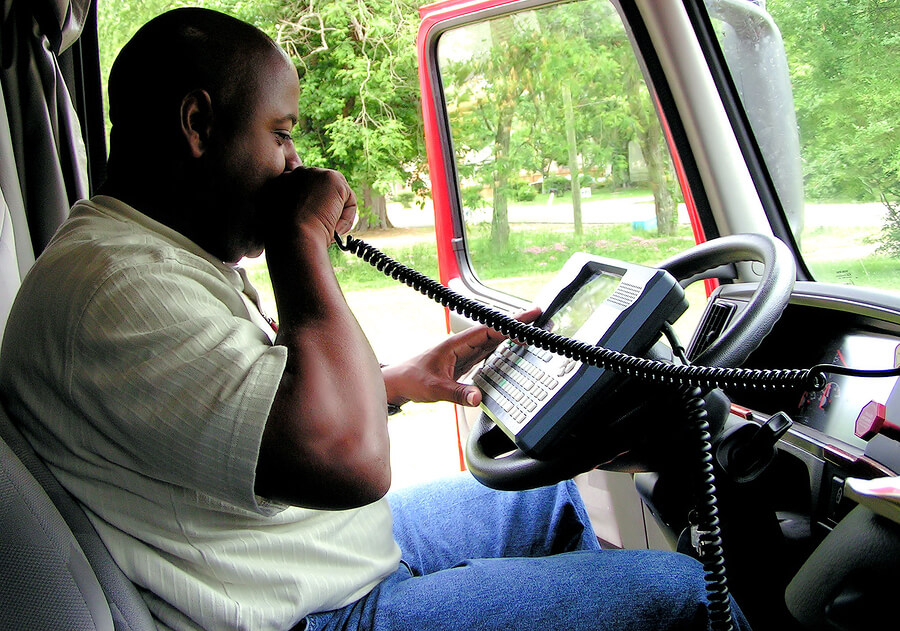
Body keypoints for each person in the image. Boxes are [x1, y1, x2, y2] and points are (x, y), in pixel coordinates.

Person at [0, 8, 752, 631]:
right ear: (199, 124)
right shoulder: (119, 287)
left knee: (541, 490)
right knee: (681, 593)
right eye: (282, 131)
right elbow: (351, 461)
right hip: (300, 610)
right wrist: (301, 240)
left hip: (302, 552)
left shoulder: (137, 255)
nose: (296, 161)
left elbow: (241, 405)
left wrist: (396, 381)